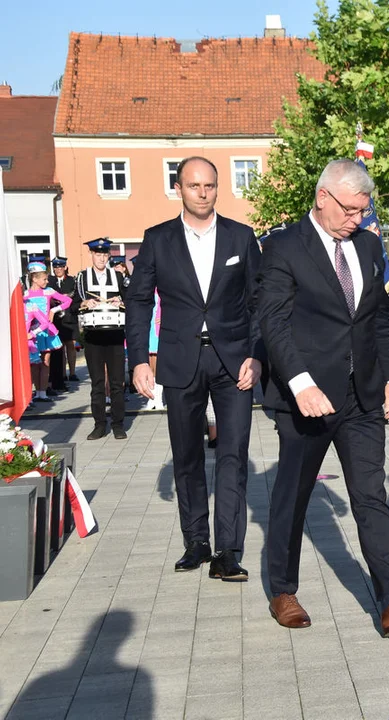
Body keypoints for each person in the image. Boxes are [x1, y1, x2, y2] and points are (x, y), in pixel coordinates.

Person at [257, 159, 389, 634]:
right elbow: (273, 323)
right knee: (292, 496)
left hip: (362, 397)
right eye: (351, 210)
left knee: (370, 493)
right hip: (307, 400)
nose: (358, 219)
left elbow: (377, 317)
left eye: (363, 210)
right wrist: (300, 383)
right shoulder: (282, 248)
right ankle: (283, 590)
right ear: (323, 197)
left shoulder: (368, 245)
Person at [126, 156, 264, 581]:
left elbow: (259, 300)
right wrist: (137, 361)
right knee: (186, 455)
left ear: (217, 188)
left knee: (233, 454)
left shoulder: (241, 237)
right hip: (179, 360)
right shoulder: (158, 239)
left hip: (234, 361)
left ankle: (228, 551)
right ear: (179, 189)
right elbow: (139, 300)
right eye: (194, 186)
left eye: (209, 186)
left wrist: (257, 355)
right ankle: (196, 543)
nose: (202, 193)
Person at [76, 238, 128, 439]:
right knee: (97, 383)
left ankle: (118, 424)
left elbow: (130, 300)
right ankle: (99, 425)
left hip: (114, 335)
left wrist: (120, 300)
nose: (101, 258)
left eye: (105, 255)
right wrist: (84, 303)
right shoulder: (83, 277)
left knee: (117, 382)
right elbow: (72, 305)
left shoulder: (117, 276)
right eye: (98, 254)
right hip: (93, 338)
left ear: (108, 256)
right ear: (92, 255)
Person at [24, 261, 72, 404]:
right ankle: (35, 391)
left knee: (45, 361)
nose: (47, 281)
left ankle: (42, 392)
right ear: (34, 279)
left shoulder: (48, 291)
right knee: (33, 363)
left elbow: (67, 300)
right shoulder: (25, 294)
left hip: (46, 330)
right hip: (32, 332)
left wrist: (53, 310)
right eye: (44, 278)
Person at [47, 257, 78, 392]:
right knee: (59, 347)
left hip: (69, 316)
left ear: (65, 267)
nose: (58, 269)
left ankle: (72, 372)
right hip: (55, 319)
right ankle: (62, 374)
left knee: (70, 344)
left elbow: (76, 296)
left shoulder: (72, 280)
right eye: (56, 267)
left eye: (61, 267)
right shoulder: (50, 281)